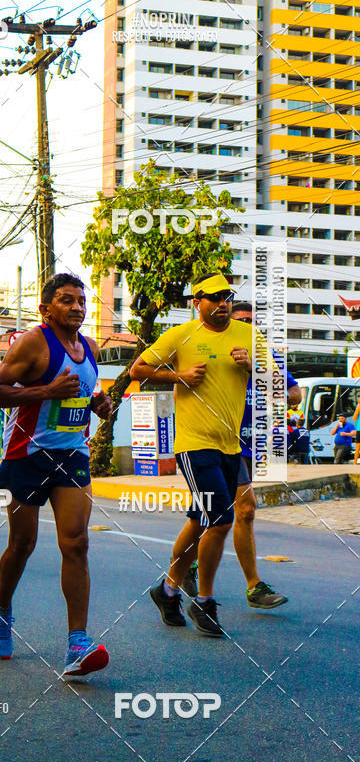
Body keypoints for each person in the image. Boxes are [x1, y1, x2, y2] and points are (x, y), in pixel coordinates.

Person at [0, 273, 113, 676]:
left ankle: (77, 643)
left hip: (71, 454)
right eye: (66, 300)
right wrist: (45, 392)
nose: (76, 307)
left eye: (81, 300)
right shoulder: (33, 343)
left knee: (76, 543)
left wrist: (99, 403)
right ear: (45, 308)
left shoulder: (88, 346)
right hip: (27, 455)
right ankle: (1, 609)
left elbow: (84, 393)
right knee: (22, 545)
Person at [131, 272, 255, 637]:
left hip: (231, 446)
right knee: (220, 519)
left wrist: (252, 366)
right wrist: (180, 376)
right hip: (194, 443)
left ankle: (167, 590)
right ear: (196, 302)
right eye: (214, 298)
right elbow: (138, 369)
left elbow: (280, 382)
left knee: (201, 520)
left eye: (227, 297)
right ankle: (204, 601)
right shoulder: (181, 335)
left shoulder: (248, 335)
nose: (223, 304)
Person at [181, 301, 300, 609]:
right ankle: (184, 573)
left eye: (252, 322)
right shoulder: (203, 348)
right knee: (210, 516)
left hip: (243, 446)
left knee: (229, 513)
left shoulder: (261, 354)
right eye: (242, 320)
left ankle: (250, 586)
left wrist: (253, 369)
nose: (248, 326)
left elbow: (293, 395)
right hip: (207, 443)